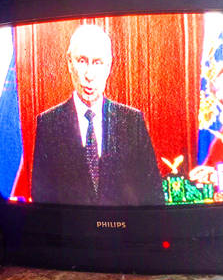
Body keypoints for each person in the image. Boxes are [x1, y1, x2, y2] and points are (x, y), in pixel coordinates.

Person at [31, 23, 164, 205]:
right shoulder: (48, 124)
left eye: (97, 62)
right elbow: (42, 203)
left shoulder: (132, 121)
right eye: (82, 61)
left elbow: (154, 197)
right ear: (69, 63)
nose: (89, 75)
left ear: (108, 67)